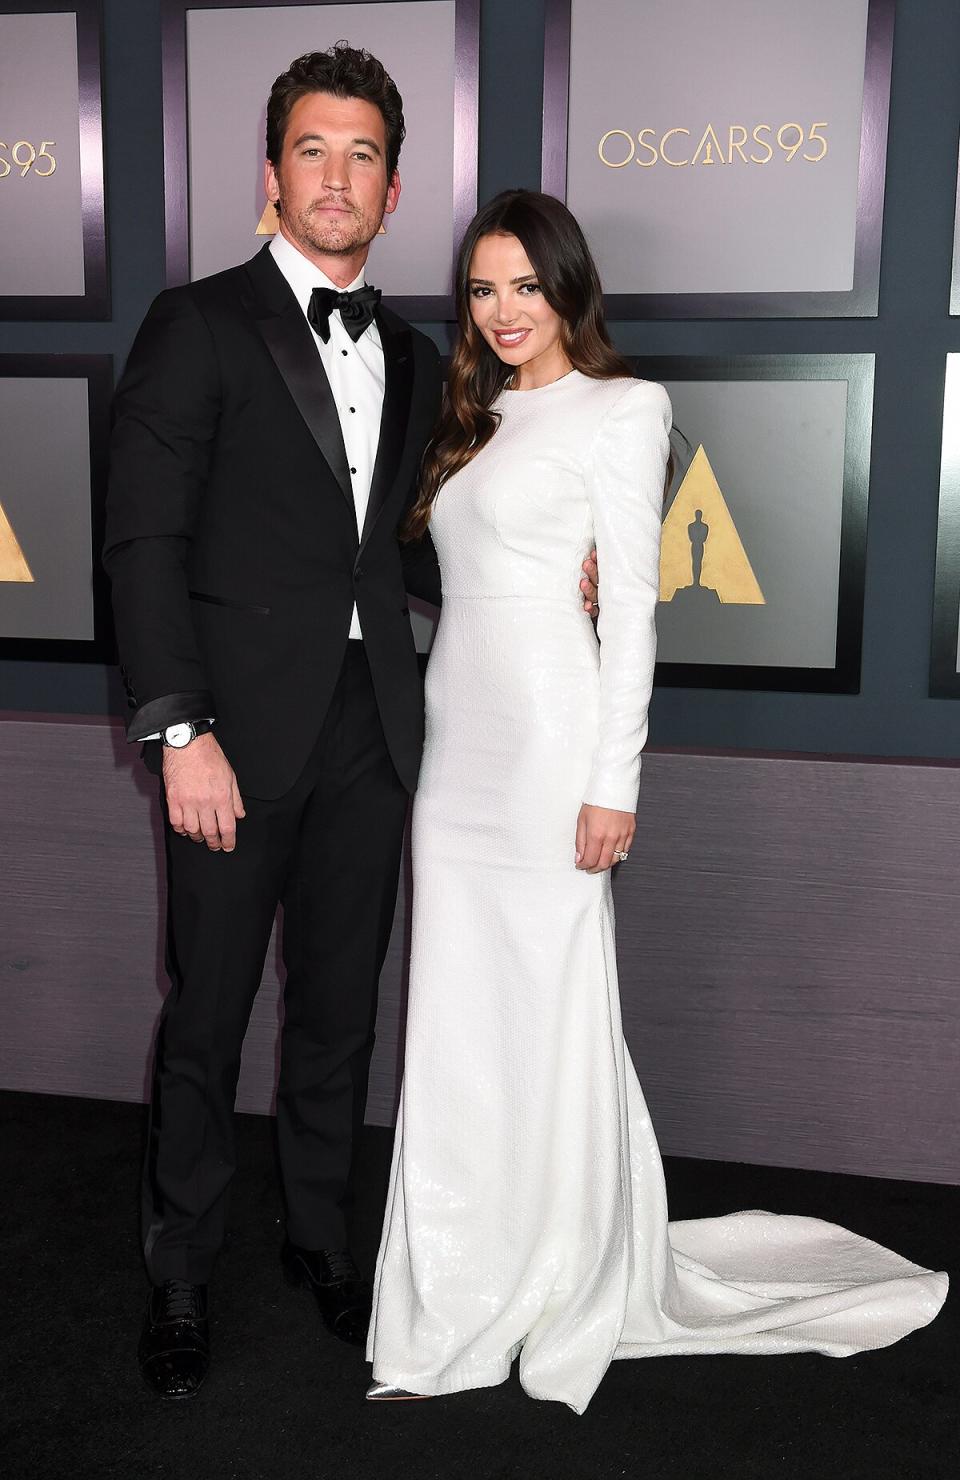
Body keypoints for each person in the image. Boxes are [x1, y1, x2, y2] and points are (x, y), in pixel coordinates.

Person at [365, 190, 948, 1413]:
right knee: (460, 1011)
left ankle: (564, 1263)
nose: (504, 309)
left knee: (557, 1005)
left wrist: (611, 779)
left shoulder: (625, 409)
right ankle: (466, 1264)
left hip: (551, 749)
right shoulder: (475, 420)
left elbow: (630, 604)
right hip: (455, 745)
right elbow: (444, 575)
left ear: (570, 286)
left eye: (527, 284)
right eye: (483, 288)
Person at [104, 43, 602, 1403]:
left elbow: (425, 547)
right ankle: (184, 1268)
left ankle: (321, 1239)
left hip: (378, 737)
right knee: (207, 1015)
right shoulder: (194, 325)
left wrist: (569, 569)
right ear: (272, 177)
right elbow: (140, 543)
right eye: (312, 151)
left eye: (364, 154)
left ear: (392, 189)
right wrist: (174, 731)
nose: (337, 176)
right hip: (230, 742)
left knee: (336, 1014)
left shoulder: (423, 351)